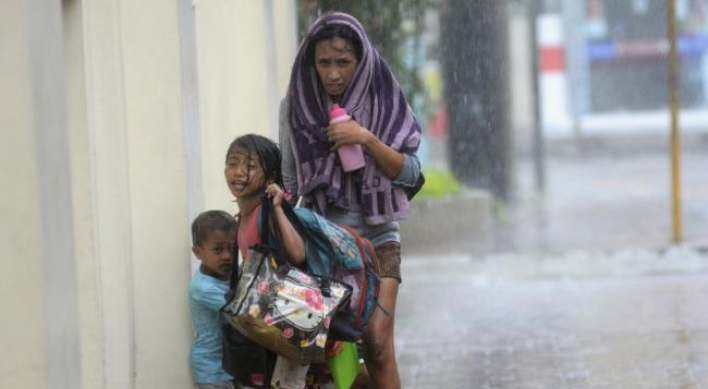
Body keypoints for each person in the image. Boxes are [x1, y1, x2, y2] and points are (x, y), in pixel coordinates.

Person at [279, 12, 423, 389]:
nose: (333, 74)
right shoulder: (295, 107)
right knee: (329, 353)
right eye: (324, 62)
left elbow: (411, 176)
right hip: (324, 245)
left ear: (360, 61)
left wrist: (366, 139)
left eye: (343, 62)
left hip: (378, 241)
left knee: (376, 343)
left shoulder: (384, 101)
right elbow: (291, 185)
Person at [223, 133, 309, 389]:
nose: (238, 172)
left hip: (291, 319)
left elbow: (298, 254)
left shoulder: (267, 211)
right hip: (268, 324)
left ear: (269, 176)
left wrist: (278, 208)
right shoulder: (242, 216)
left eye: (249, 166)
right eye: (232, 162)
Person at [189, 210, 238, 389]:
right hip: (212, 370)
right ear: (198, 252)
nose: (227, 256)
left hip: (234, 363)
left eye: (232, 249)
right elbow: (240, 312)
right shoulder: (203, 287)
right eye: (218, 249)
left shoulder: (231, 273)